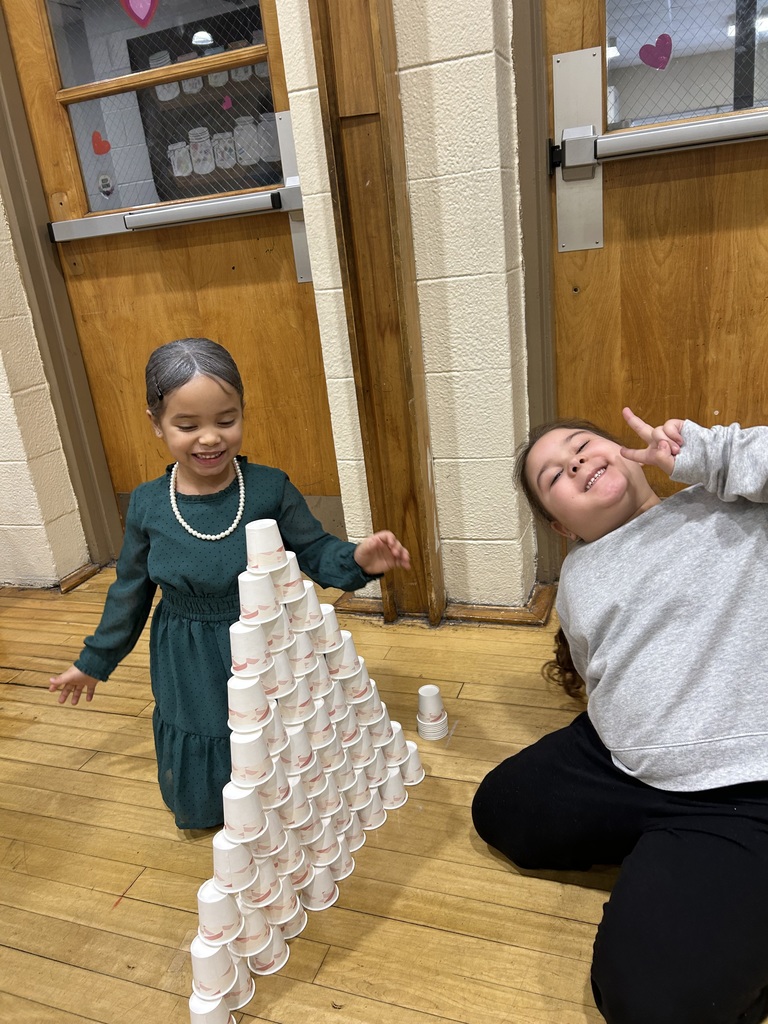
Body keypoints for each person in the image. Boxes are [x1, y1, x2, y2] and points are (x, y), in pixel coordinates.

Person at [471, 407, 768, 1024]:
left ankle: (710, 873)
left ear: (629, 450)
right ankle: (681, 862)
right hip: (623, 759)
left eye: (581, 445)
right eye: (554, 476)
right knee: (501, 808)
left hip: (741, 779)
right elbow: (600, 664)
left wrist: (708, 453)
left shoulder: (732, 502)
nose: (574, 462)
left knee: (650, 1002)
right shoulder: (578, 575)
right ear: (559, 524)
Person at [50, 338, 410, 831]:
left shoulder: (268, 487)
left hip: (266, 641)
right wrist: (93, 661)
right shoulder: (149, 504)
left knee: (274, 728)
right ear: (156, 423)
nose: (209, 438)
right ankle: (215, 817)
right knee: (204, 726)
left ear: (242, 411)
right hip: (187, 649)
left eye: (226, 420)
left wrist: (359, 558)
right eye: (187, 425)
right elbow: (129, 592)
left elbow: (318, 552)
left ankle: (283, 806)